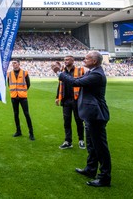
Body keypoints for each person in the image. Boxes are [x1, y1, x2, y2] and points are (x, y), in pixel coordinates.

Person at [51, 51, 112, 187]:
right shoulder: (92, 71)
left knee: (100, 148)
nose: (84, 59)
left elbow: (75, 82)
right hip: (90, 114)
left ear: (95, 61)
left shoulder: (96, 74)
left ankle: (104, 177)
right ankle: (90, 169)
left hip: (96, 115)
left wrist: (59, 73)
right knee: (91, 146)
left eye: (87, 58)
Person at [55, 55, 86, 150]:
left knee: (79, 120)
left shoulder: (80, 70)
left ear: (73, 60)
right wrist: (57, 97)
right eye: (64, 60)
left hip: (77, 99)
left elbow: (84, 84)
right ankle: (68, 141)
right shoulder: (62, 71)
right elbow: (59, 84)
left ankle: (81, 140)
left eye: (67, 59)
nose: (65, 61)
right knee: (67, 122)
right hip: (65, 100)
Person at [6, 59, 35, 140]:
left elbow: (28, 84)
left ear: (19, 64)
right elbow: (9, 84)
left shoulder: (24, 73)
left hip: (22, 97)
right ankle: (18, 131)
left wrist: (22, 92)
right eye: (13, 63)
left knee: (26, 114)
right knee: (16, 114)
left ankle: (31, 133)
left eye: (15, 63)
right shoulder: (9, 74)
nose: (14, 64)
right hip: (14, 97)